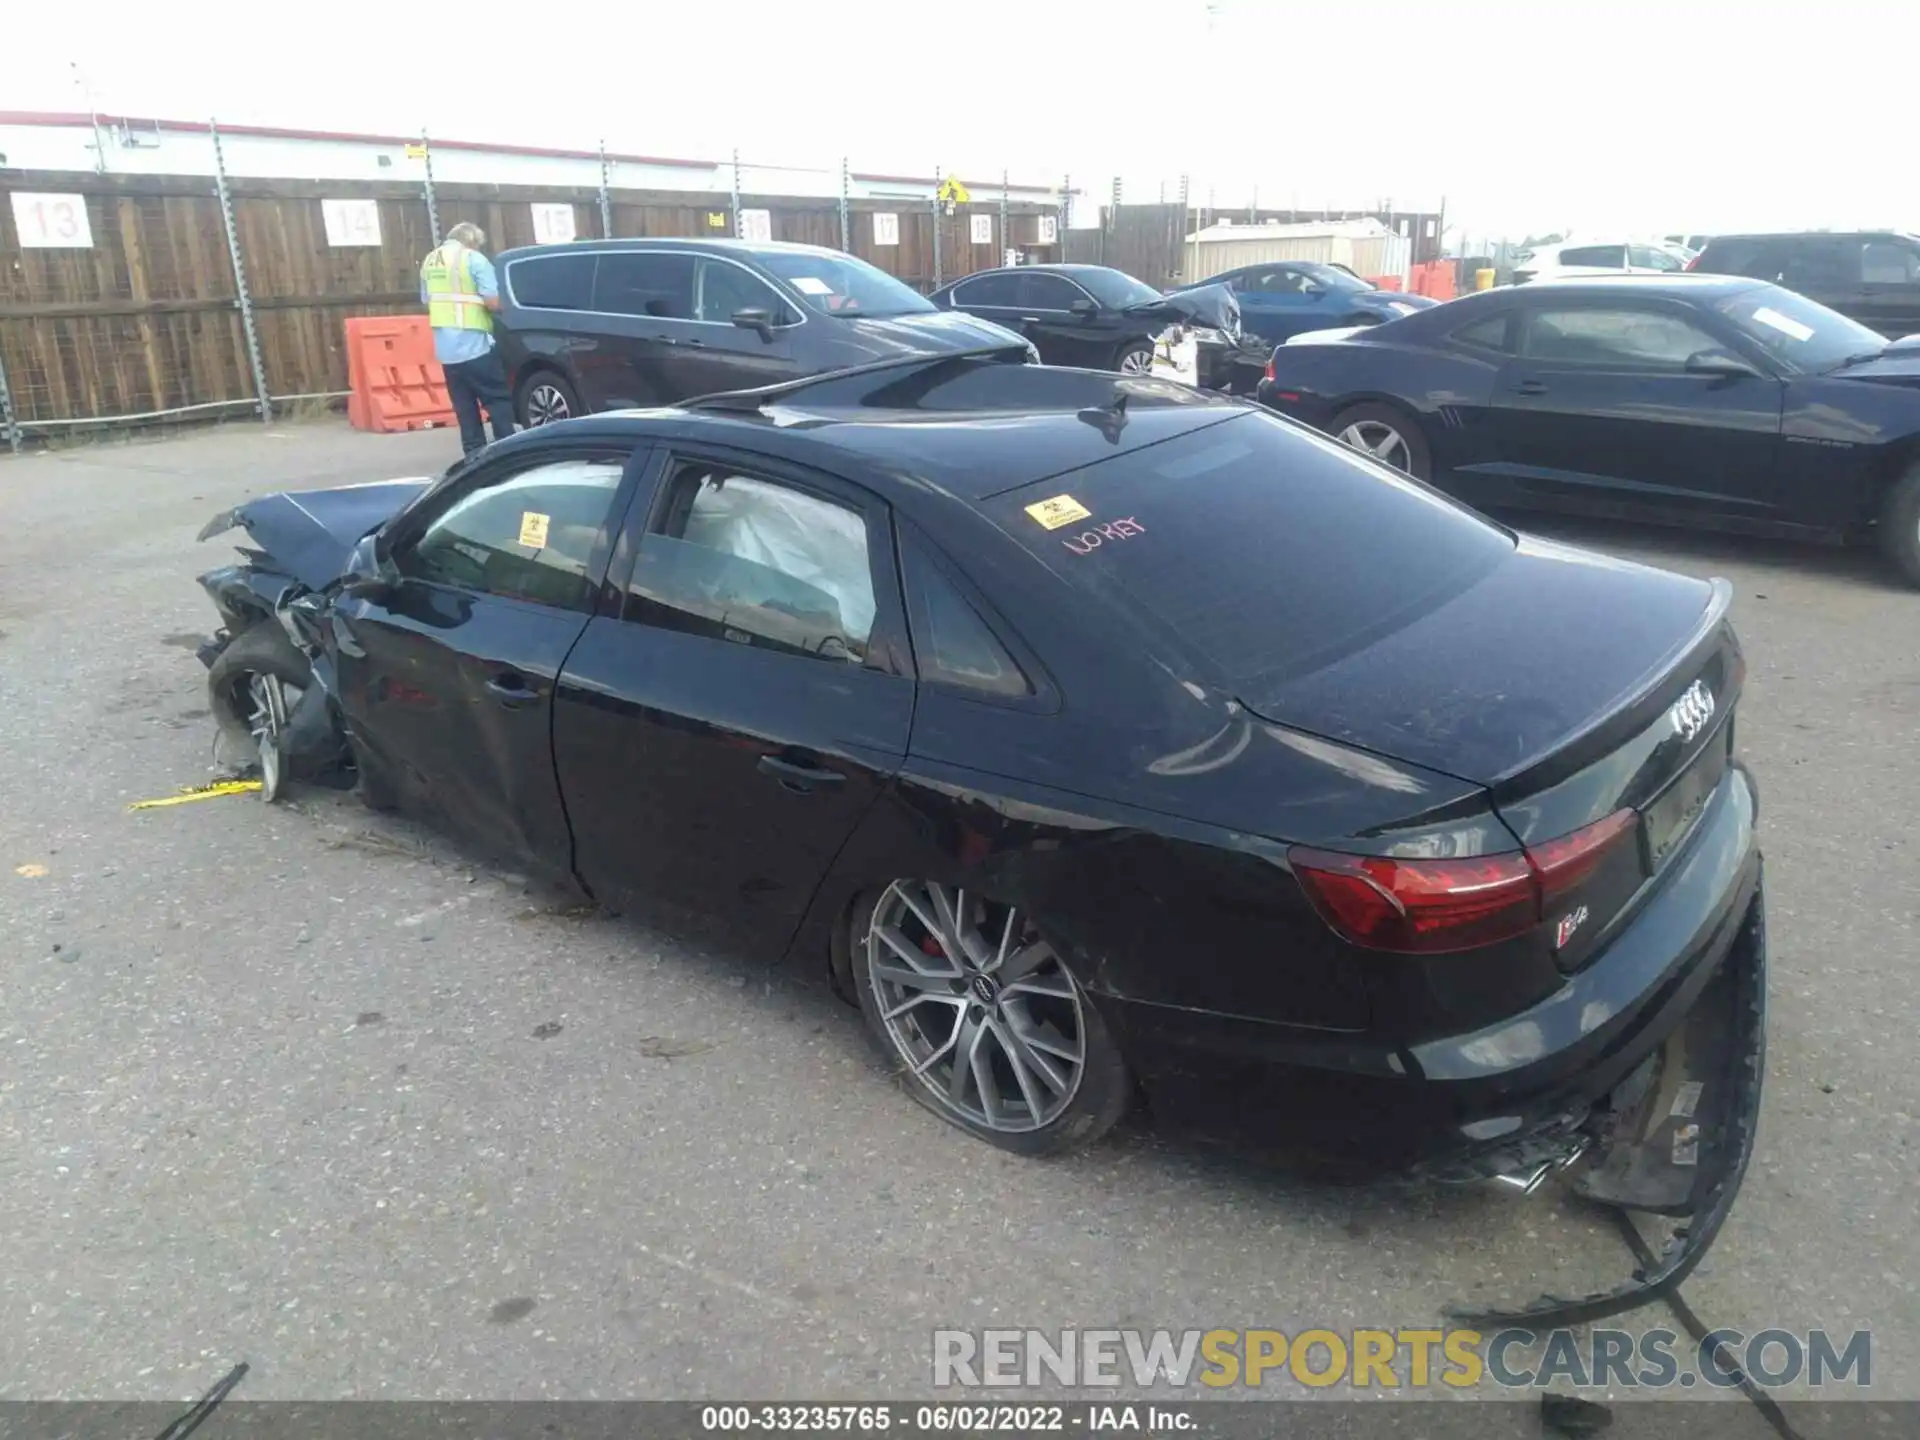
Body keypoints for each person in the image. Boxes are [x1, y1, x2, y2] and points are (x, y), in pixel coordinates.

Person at [419, 223, 516, 455]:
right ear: (471, 241)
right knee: (497, 401)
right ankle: (508, 454)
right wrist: (509, 309)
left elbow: (426, 299)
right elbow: (492, 302)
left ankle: (474, 459)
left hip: (447, 349)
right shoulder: (473, 258)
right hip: (475, 343)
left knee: (465, 408)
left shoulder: (430, 260)